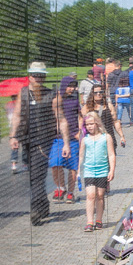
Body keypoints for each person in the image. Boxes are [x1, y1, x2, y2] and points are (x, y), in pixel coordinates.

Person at [11, 62, 68, 225]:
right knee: (34, 176)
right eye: (35, 75)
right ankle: (43, 204)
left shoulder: (53, 95)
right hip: (26, 140)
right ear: (29, 76)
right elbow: (16, 115)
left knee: (37, 175)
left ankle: (35, 210)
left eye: (40, 76)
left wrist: (65, 143)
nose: (38, 78)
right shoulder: (23, 93)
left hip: (43, 141)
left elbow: (61, 119)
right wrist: (13, 137)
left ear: (44, 77)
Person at [77, 112, 115, 232]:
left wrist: (112, 170)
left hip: (102, 170)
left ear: (97, 124)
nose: (89, 127)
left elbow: (111, 155)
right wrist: (78, 170)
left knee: (99, 196)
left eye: (91, 124)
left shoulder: (106, 137)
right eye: (87, 125)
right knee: (90, 195)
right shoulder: (85, 139)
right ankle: (89, 221)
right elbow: (81, 156)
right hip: (89, 171)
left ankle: (98, 219)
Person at [49, 75, 82, 203]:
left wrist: (80, 131)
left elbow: (80, 117)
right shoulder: (57, 100)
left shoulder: (75, 101)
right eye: (70, 86)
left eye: (74, 86)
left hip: (74, 137)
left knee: (73, 168)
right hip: (58, 137)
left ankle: (70, 192)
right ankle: (61, 187)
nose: (72, 89)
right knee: (55, 163)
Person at [83, 84, 125, 150]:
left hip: (108, 138)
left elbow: (116, 122)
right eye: (96, 92)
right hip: (93, 140)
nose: (98, 94)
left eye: (101, 92)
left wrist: (122, 136)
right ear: (92, 94)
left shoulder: (109, 106)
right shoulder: (87, 108)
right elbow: (81, 124)